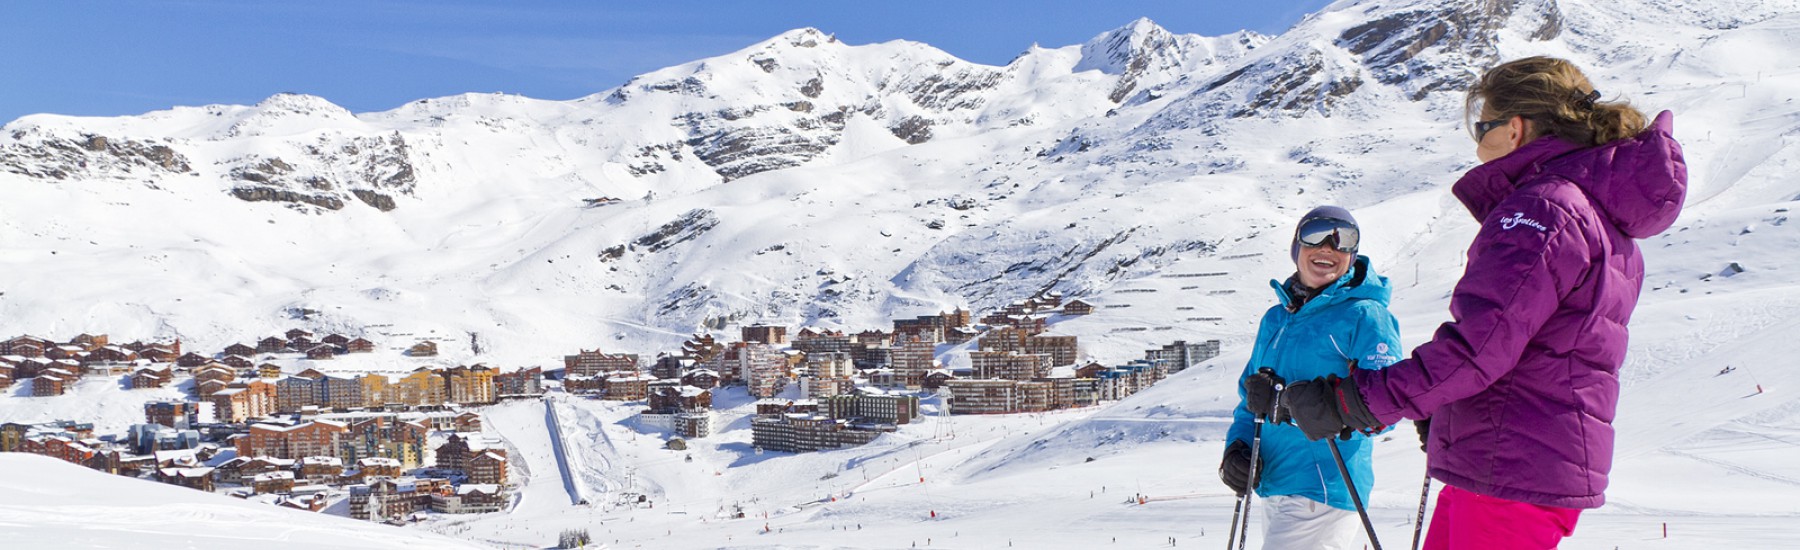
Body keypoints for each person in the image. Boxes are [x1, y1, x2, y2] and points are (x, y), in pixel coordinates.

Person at [1276, 56, 1687, 550]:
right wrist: (1442, 403)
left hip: (1508, 467)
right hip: (1510, 459)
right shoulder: (1594, 214)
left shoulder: (1544, 208)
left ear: (1515, 129)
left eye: (1481, 126)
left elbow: (1479, 347)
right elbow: (1530, 346)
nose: (1475, 145)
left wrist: (1354, 401)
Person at [1221, 205, 1404, 549]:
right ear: (1296, 248)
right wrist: (1239, 446)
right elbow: (1251, 399)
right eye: (1315, 234)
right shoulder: (1276, 319)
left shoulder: (1365, 316)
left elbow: (1388, 407)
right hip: (1275, 483)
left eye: (1343, 240)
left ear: (1353, 255)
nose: (1328, 248)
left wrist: (1312, 406)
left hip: (1326, 489)